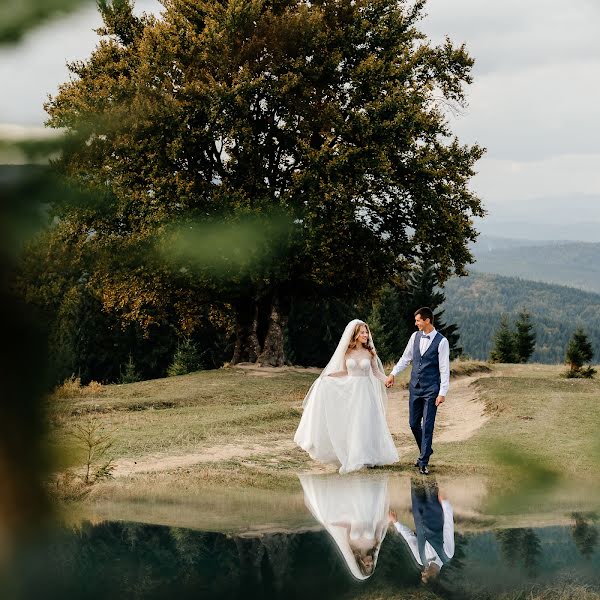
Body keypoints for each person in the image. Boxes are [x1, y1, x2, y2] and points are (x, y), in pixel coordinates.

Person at [294, 319, 399, 474]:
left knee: (364, 422)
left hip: (365, 392)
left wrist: (386, 380)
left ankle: (368, 456)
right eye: (362, 332)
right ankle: (353, 455)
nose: (366, 335)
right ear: (355, 334)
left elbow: (376, 372)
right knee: (352, 423)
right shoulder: (347, 352)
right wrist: (329, 377)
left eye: (366, 332)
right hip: (350, 390)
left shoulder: (370, 352)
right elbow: (345, 372)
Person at [385, 307, 449, 475]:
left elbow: (444, 368)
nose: (416, 324)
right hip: (415, 387)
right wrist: (393, 373)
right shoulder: (414, 336)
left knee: (427, 425)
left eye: (418, 320)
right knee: (413, 424)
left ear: (427, 320)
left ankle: (423, 461)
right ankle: (426, 450)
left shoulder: (442, 342)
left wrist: (442, 392)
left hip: (431, 390)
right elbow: (406, 358)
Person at [299, 472, 390, 580]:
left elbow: (348, 526)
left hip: (353, 510)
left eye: (367, 565)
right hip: (367, 505)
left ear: (360, 563)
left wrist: (332, 524)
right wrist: (390, 519)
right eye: (371, 565)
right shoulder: (375, 544)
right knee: (364, 476)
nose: (370, 563)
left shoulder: (352, 547)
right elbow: (380, 524)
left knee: (326, 511)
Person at [388, 477, 455, 583]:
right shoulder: (447, 554)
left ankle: (418, 462)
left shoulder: (420, 560)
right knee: (429, 478)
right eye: (425, 576)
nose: (422, 573)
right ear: (433, 576)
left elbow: (410, 539)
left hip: (418, 512)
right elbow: (448, 527)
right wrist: (445, 504)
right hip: (435, 509)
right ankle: (425, 463)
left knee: (414, 479)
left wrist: (396, 523)